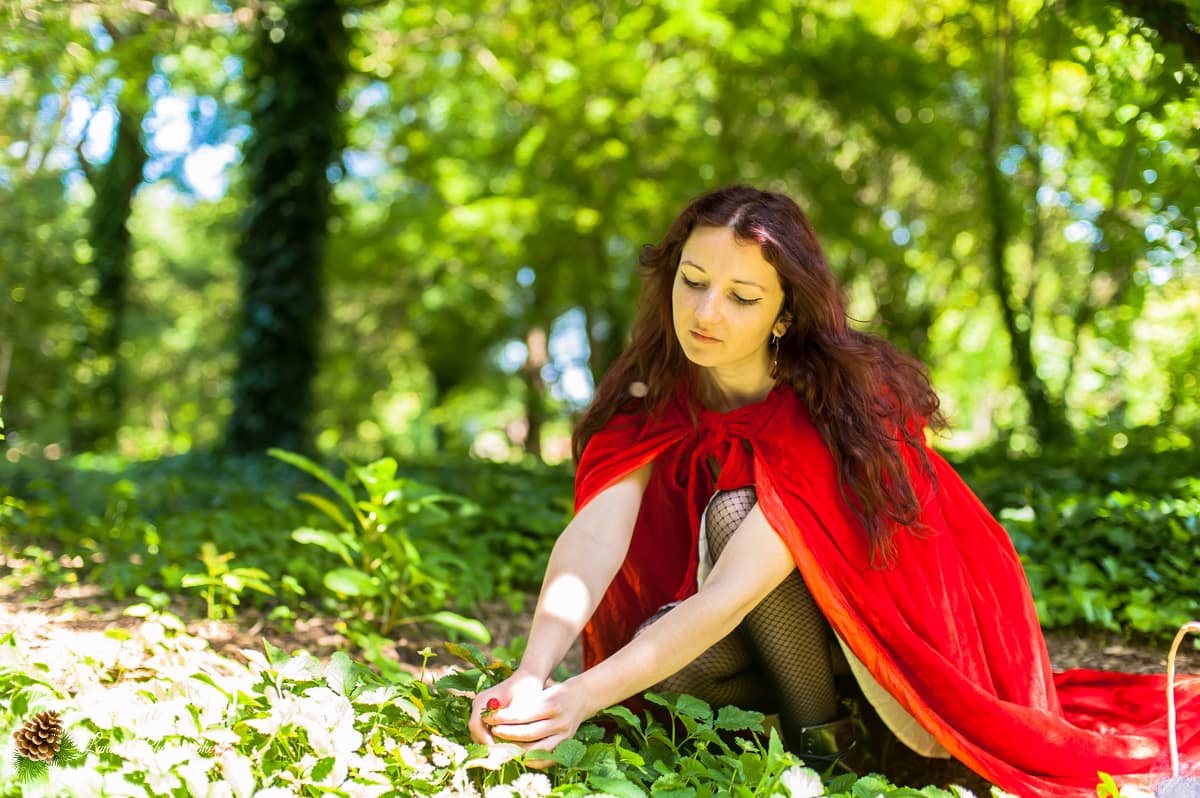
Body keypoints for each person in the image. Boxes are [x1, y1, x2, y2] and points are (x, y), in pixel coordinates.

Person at [468, 185, 1199, 798]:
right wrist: (536, 676)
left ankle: (834, 751)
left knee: (733, 516)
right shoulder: (648, 390)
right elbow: (595, 537)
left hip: (898, 643)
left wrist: (578, 697)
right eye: (692, 281)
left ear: (785, 312)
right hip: (770, 637)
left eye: (742, 296)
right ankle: (799, 731)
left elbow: (729, 593)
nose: (705, 313)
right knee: (643, 688)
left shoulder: (838, 404)